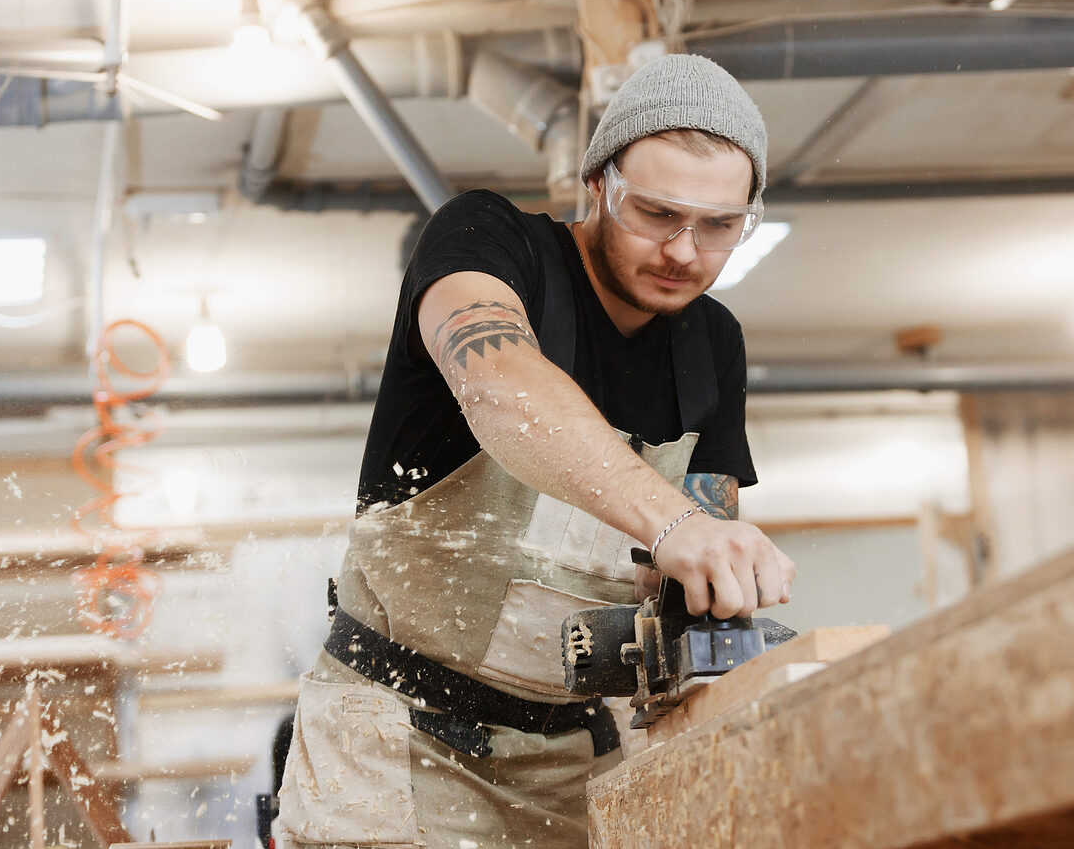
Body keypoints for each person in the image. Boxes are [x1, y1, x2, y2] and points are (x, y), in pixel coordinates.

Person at [275, 53, 797, 849]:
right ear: (597, 185)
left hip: (570, 760)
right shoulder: (490, 242)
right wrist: (674, 522)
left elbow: (686, 591)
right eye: (656, 213)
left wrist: (711, 595)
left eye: (720, 226)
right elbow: (499, 381)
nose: (685, 253)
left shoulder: (711, 344)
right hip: (392, 739)